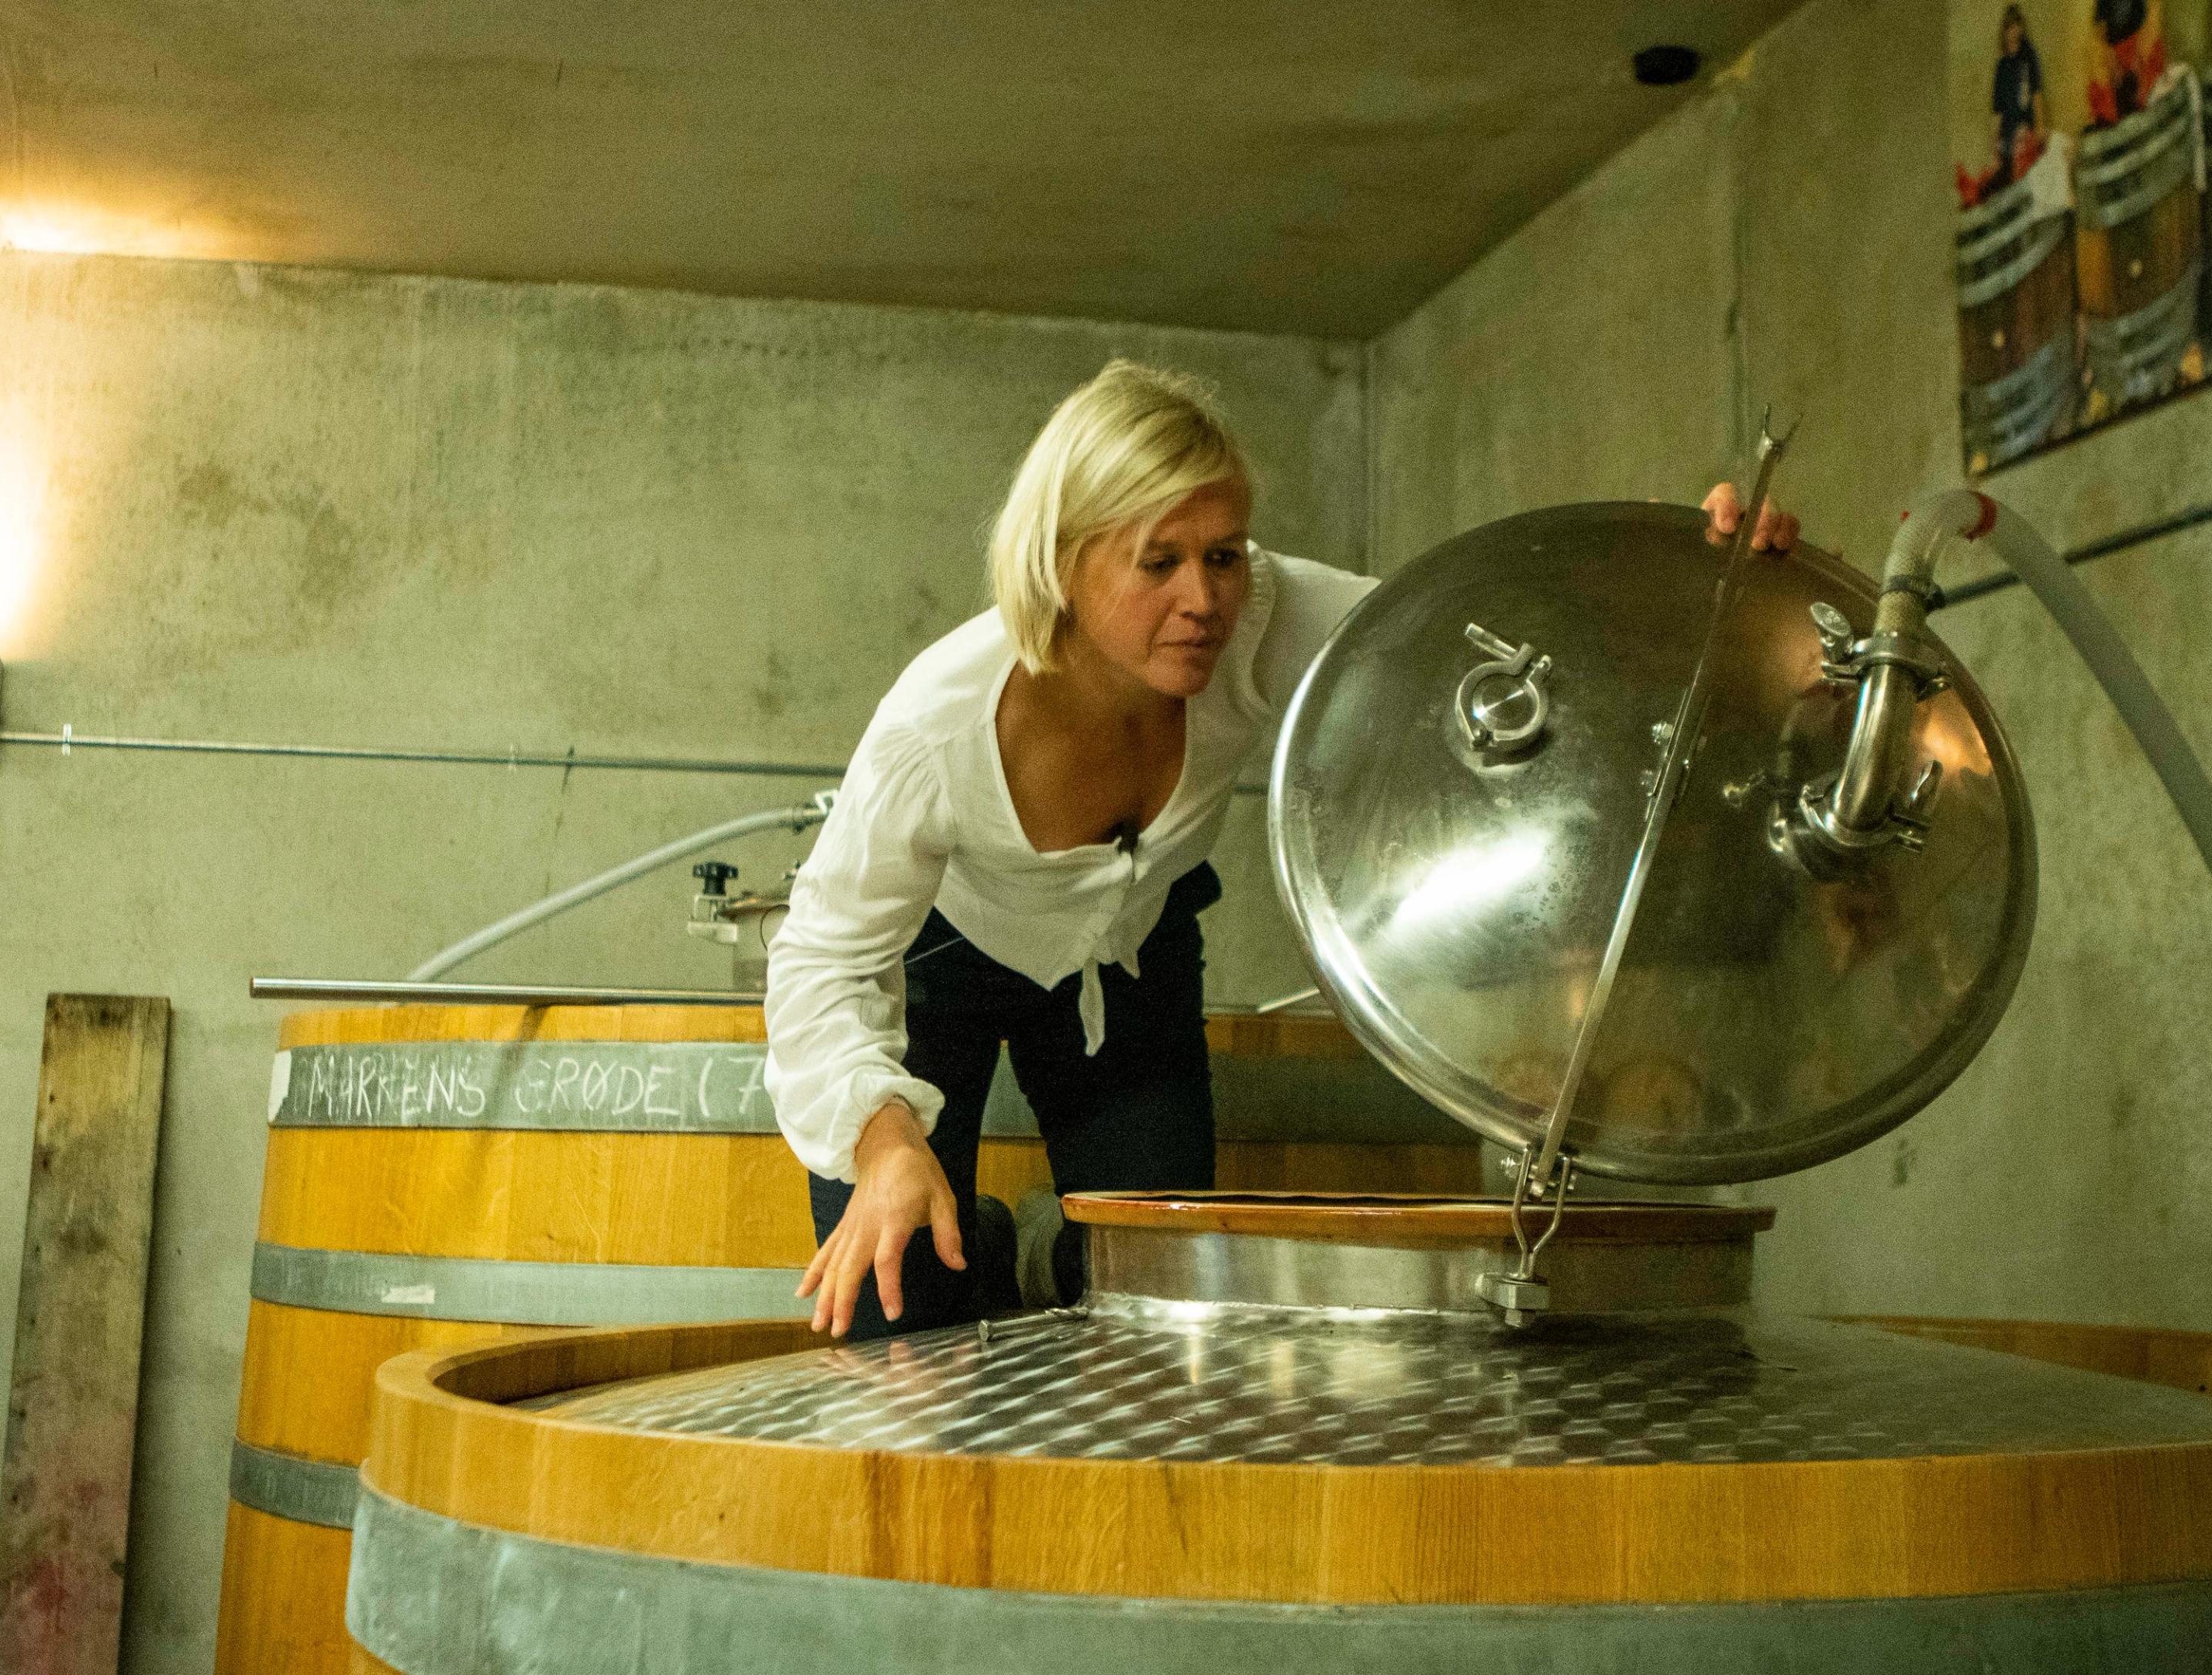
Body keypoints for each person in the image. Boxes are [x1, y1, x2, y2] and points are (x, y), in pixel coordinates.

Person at [764, 360, 1799, 1340]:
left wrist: (1698, 585)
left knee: (1163, 1308)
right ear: (1063, 560)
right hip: (942, 968)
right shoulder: (933, 729)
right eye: (1159, 561)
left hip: (1132, 959)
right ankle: (994, 1247)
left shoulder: (1260, 615)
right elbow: (820, 959)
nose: (1206, 600)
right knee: (893, 1313)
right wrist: (885, 1142)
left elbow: (1486, 645)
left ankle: (1055, 1255)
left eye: (1224, 553)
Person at [1989, 6, 2049, 194]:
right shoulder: (2002, 66)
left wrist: (2039, 125)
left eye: (2017, 27)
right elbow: (1997, 109)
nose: (2014, 32)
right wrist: (1996, 147)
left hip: (2026, 128)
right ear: (2004, 31)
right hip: (2008, 132)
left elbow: (2036, 92)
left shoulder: (2028, 56)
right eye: (2010, 28)